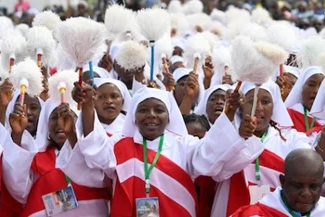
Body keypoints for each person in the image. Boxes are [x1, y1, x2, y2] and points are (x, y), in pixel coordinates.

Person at [72, 82, 265, 217]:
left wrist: (229, 113)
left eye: (159, 109)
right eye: (143, 110)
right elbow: (95, 148)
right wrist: (88, 104)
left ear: (169, 115)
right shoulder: (120, 145)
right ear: (134, 116)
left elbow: (210, 154)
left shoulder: (184, 145)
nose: (151, 115)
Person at [2, 71, 110, 217]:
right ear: (45, 125)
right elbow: (18, 189)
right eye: (54, 118)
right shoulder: (36, 159)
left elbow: (100, 177)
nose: (60, 123)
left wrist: (72, 134)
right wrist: (17, 135)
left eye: (68, 117)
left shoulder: (93, 154)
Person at [231, 148, 325, 216]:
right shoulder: (256, 214)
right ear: (282, 181)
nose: (306, 194)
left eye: (313, 187)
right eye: (297, 186)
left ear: (322, 183)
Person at [285, 66, 325, 135]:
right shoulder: (287, 116)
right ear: (302, 88)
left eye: (321, 87)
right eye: (311, 85)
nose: (316, 91)